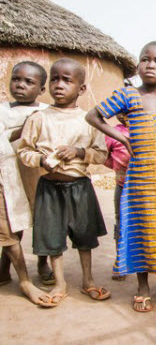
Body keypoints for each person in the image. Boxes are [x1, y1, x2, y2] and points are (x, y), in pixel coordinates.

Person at [86, 41, 156, 313]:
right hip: (140, 180)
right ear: (137, 65)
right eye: (144, 59)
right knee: (142, 230)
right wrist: (122, 139)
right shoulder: (127, 96)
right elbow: (93, 115)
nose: (150, 64)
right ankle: (143, 288)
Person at [18, 58, 110, 307]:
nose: (59, 85)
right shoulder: (39, 118)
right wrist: (41, 160)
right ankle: (60, 283)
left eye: (67, 80)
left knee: (84, 236)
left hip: (80, 187)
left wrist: (80, 152)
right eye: (55, 79)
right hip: (48, 186)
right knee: (52, 237)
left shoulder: (89, 120)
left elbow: (101, 154)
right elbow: (24, 151)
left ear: (81, 88)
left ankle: (88, 280)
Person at [0, 61, 55, 287]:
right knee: (13, 225)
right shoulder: (2, 110)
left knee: (42, 222)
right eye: (16, 79)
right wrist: (21, 132)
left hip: (37, 174)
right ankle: (6, 270)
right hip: (7, 177)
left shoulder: (45, 113)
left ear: (41, 89)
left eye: (28, 82)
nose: (20, 85)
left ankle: (42, 263)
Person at [103, 113, 130, 281]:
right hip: (122, 186)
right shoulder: (113, 133)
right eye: (122, 112)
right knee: (121, 223)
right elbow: (104, 155)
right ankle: (120, 260)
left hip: (146, 187)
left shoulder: (147, 129)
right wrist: (117, 167)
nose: (125, 115)